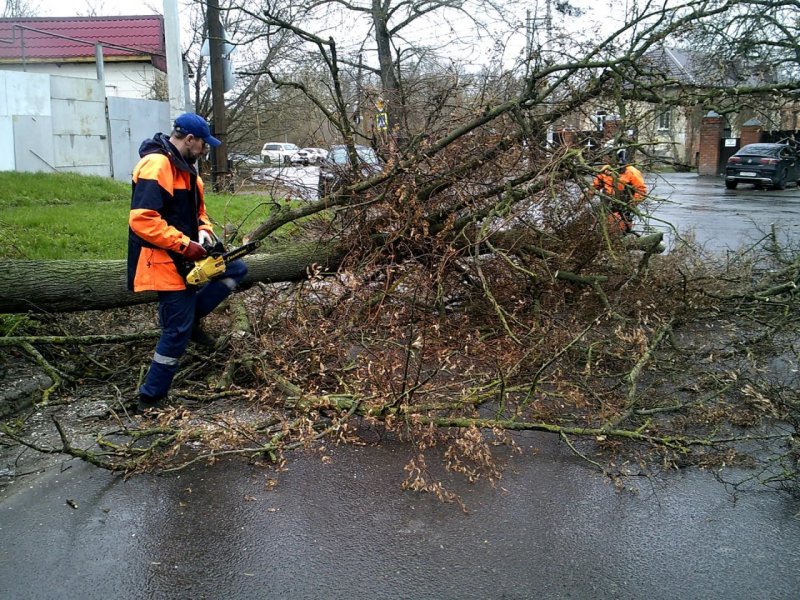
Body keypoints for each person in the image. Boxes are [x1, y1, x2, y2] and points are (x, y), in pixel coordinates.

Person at [127, 112, 248, 413]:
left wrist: (204, 232)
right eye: (203, 144)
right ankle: (150, 397)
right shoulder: (157, 165)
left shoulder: (189, 173)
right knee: (176, 332)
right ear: (190, 139)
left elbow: (199, 213)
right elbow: (143, 220)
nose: (205, 150)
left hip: (188, 256)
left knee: (235, 268)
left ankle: (190, 316)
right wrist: (185, 244)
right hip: (164, 260)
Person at [591, 149, 647, 234]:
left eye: (608, 157)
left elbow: (641, 191)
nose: (605, 159)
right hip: (607, 204)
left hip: (623, 205)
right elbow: (596, 185)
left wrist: (630, 206)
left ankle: (623, 234)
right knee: (602, 224)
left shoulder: (631, 171)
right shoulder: (605, 170)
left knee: (619, 227)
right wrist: (587, 193)